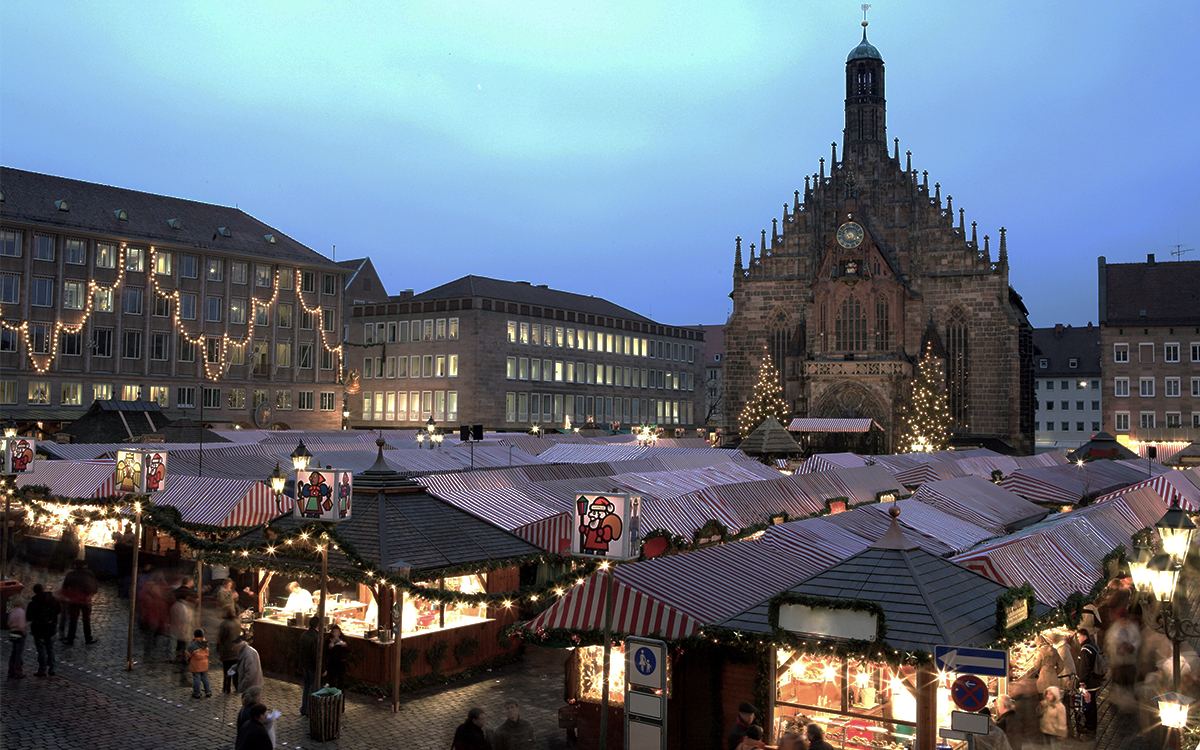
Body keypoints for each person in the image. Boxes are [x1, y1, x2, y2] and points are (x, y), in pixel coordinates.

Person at [60, 558, 99, 645]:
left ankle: (70, 639)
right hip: (85, 600)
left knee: (73, 620)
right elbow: (94, 585)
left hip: (74, 600)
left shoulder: (71, 574)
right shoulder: (89, 573)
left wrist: (69, 596)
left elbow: (65, 587)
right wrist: (91, 594)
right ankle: (88, 638)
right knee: (86, 620)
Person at [26, 583, 60, 677]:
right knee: (50, 648)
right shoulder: (53, 599)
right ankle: (52, 668)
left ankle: (42, 669)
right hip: (51, 627)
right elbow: (58, 610)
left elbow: (29, 617)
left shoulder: (33, 604)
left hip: (39, 629)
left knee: (41, 649)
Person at [1075, 627, 1103, 733]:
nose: (1077, 639)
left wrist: (1082, 682)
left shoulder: (1085, 650)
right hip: (1094, 680)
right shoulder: (1093, 646)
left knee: (1089, 705)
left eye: (1078, 637)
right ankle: (1091, 725)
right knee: (1092, 703)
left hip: (1089, 683)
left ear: (1084, 636)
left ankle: (1090, 726)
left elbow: (1084, 667)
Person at [298, 616, 320, 716]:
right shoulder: (315, 638)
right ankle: (309, 710)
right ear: (318, 625)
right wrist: (322, 669)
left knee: (306, 686)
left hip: (304, 664)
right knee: (312, 687)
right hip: (312, 666)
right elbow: (316, 654)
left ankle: (304, 708)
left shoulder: (304, 635)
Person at [218, 610, 243, 693]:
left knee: (227, 670)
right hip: (236, 649)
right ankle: (237, 686)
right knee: (236, 670)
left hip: (227, 650)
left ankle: (226, 687)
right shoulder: (237, 622)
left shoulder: (224, 624)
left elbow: (221, 636)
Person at [186, 628, 212, 698]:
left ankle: (196, 693)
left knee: (196, 679)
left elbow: (187, 654)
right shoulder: (206, 644)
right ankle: (208, 692)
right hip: (205, 664)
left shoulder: (193, 645)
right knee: (205, 678)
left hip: (196, 665)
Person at [324, 624, 351, 690]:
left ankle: (340, 696)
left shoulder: (344, 639)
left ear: (340, 632)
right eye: (334, 632)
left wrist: (345, 645)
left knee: (341, 681)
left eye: (337, 632)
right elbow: (324, 651)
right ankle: (331, 696)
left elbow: (349, 649)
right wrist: (329, 647)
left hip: (341, 663)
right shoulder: (328, 639)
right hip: (332, 663)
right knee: (331, 681)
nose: (335, 634)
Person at [7, 594, 26, 679]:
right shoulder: (21, 612)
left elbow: (9, 623)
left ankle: (11, 671)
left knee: (13, 652)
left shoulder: (12, 611)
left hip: (13, 632)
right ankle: (18, 671)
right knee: (19, 653)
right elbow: (21, 626)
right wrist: (24, 632)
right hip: (19, 633)